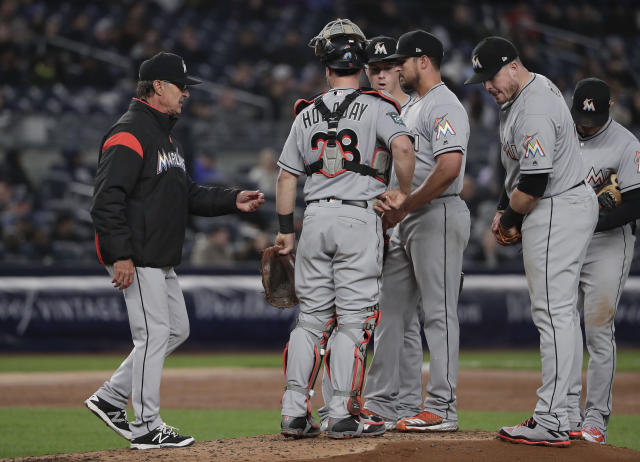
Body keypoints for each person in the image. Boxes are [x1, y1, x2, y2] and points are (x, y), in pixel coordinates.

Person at [85, 51, 265, 450]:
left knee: (175, 330)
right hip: (140, 254)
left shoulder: (163, 135)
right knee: (152, 335)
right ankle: (147, 425)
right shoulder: (129, 132)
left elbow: (186, 194)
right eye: (181, 86)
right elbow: (106, 200)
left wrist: (232, 199)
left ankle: (111, 397)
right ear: (158, 87)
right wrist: (119, 254)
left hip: (160, 255)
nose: (186, 93)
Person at [275, 18, 415, 440]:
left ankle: (293, 412)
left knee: (311, 321)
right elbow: (404, 148)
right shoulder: (378, 105)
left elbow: (285, 178)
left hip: (315, 216)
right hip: (359, 214)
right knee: (354, 322)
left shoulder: (306, 113)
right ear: (362, 60)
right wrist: (402, 192)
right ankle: (341, 413)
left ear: (325, 62)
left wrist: (286, 232)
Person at [465, 36, 598, 447]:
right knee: (560, 314)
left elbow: (536, 181)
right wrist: (509, 207)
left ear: (513, 66)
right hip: (562, 203)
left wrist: (508, 218)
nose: (487, 86)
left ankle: (553, 418)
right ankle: (568, 411)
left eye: (491, 76)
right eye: (482, 79)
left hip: (556, 205)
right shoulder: (525, 95)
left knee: (552, 314)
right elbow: (520, 167)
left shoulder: (534, 107)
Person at [362, 30, 470, 433]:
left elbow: (448, 167)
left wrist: (406, 202)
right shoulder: (416, 107)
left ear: (423, 61)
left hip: (437, 213)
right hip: (408, 219)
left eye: (402, 61)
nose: (397, 68)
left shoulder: (443, 104)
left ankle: (442, 406)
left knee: (439, 314)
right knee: (392, 313)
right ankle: (382, 403)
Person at [567, 78, 640, 444]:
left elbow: (637, 202)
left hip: (608, 242)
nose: (586, 123)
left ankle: (595, 417)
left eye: (593, 117)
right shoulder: (562, 133)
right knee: (561, 325)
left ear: (610, 107)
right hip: (567, 241)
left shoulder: (626, 144)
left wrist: (593, 217)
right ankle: (563, 412)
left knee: (598, 329)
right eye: (581, 115)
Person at [358, 35, 423, 429]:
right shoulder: (365, 109)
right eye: (374, 69)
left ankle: (395, 403)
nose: (381, 74)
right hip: (378, 221)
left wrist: (406, 198)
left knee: (402, 318)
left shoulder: (415, 109)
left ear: (401, 67)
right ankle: (404, 404)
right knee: (397, 318)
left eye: (387, 67)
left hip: (412, 218)